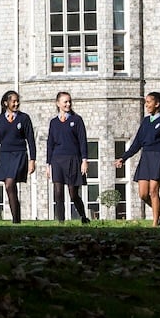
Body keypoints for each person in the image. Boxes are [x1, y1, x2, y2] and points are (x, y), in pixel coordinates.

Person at [113, 91, 160, 226]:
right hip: (146, 157)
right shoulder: (146, 121)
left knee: (153, 190)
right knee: (143, 194)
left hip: (159, 156)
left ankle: (156, 223)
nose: (146, 105)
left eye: (149, 102)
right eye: (146, 102)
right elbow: (137, 142)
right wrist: (123, 158)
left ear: (157, 104)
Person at [0, 90, 36, 223]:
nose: (16, 104)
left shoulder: (24, 118)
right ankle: (17, 218)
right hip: (5, 156)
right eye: (13, 101)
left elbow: (31, 140)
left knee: (10, 183)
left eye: (17, 101)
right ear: (5, 103)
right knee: (9, 186)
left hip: (19, 154)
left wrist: (32, 160)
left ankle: (15, 219)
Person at [46, 91, 90, 224]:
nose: (68, 104)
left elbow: (83, 141)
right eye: (65, 102)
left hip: (73, 159)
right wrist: (48, 165)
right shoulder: (53, 122)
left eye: (69, 101)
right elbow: (50, 144)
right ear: (58, 103)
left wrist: (84, 160)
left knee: (73, 193)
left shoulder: (77, 120)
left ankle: (83, 216)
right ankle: (61, 221)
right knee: (58, 192)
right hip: (57, 160)